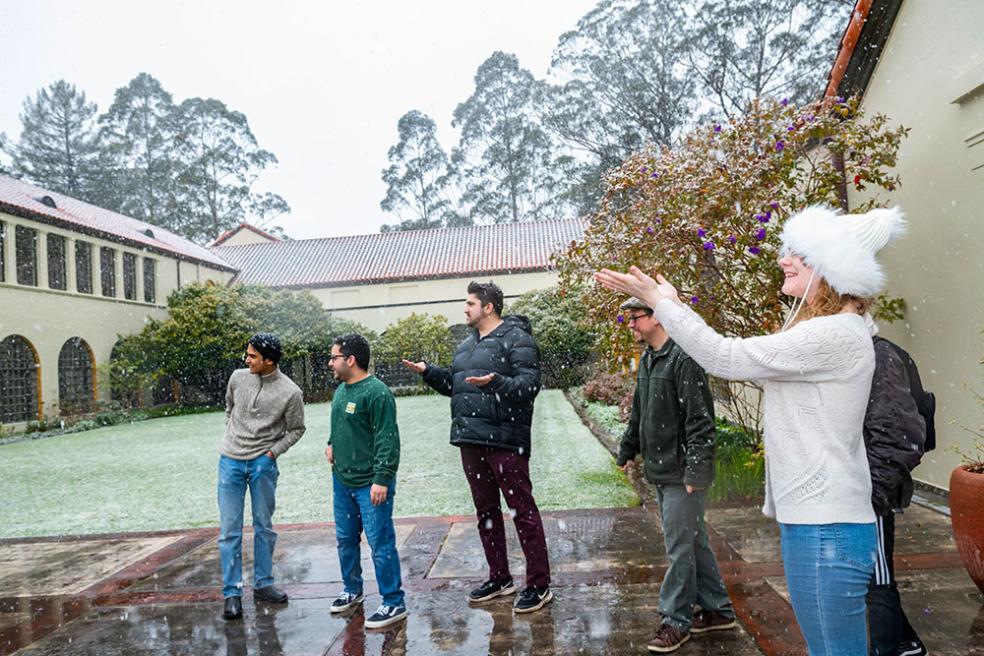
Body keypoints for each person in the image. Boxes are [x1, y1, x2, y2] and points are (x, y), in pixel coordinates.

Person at [595, 205, 906, 655]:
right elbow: (742, 360)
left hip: (827, 530)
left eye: (798, 253)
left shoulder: (834, 334)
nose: (783, 258)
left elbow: (725, 358)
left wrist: (664, 305)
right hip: (820, 526)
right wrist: (676, 306)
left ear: (833, 268)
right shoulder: (829, 331)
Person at [400, 281, 552, 614]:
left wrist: (496, 381)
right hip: (470, 440)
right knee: (486, 512)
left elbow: (529, 386)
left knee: (522, 511)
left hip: (505, 441)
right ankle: (500, 578)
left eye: (470, 303)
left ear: (489, 307)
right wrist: (429, 373)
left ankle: (539, 585)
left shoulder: (517, 339)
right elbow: (456, 387)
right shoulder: (466, 346)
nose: (465, 309)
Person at [616, 296, 736, 653]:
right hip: (662, 469)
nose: (631, 325)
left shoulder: (684, 360)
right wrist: (627, 448)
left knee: (679, 547)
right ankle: (719, 610)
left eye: (635, 318)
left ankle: (675, 620)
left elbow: (701, 423)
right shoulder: (650, 358)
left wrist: (696, 472)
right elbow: (639, 410)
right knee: (693, 542)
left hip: (682, 473)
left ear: (657, 317)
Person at [218, 333, 306, 621]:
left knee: (263, 527)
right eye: (247, 355)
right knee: (230, 531)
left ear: (269, 361)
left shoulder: (290, 392)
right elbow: (230, 408)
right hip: (230, 461)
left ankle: (263, 585)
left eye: (253, 356)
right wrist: (232, 436)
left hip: (262, 464)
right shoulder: (237, 377)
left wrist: (270, 454)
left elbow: (296, 429)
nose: (247, 360)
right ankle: (232, 593)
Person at [325, 333, 408, 629]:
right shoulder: (342, 391)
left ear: (351, 360)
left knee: (380, 543)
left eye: (334, 357)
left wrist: (382, 479)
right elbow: (340, 423)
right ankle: (352, 589)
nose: (330, 363)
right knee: (346, 539)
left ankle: (393, 601)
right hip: (342, 482)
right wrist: (331, 442)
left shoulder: (377, 393)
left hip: (370, 484)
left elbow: (388, 439)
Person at [864, 333, 929, 656]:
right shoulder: (860, 349)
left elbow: (900, 436)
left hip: (872, 493)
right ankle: (906, 643)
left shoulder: (879, 355)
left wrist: (872, 494)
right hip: (858, 490)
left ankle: (888, 649)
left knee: (877, 581)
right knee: (869, 579)